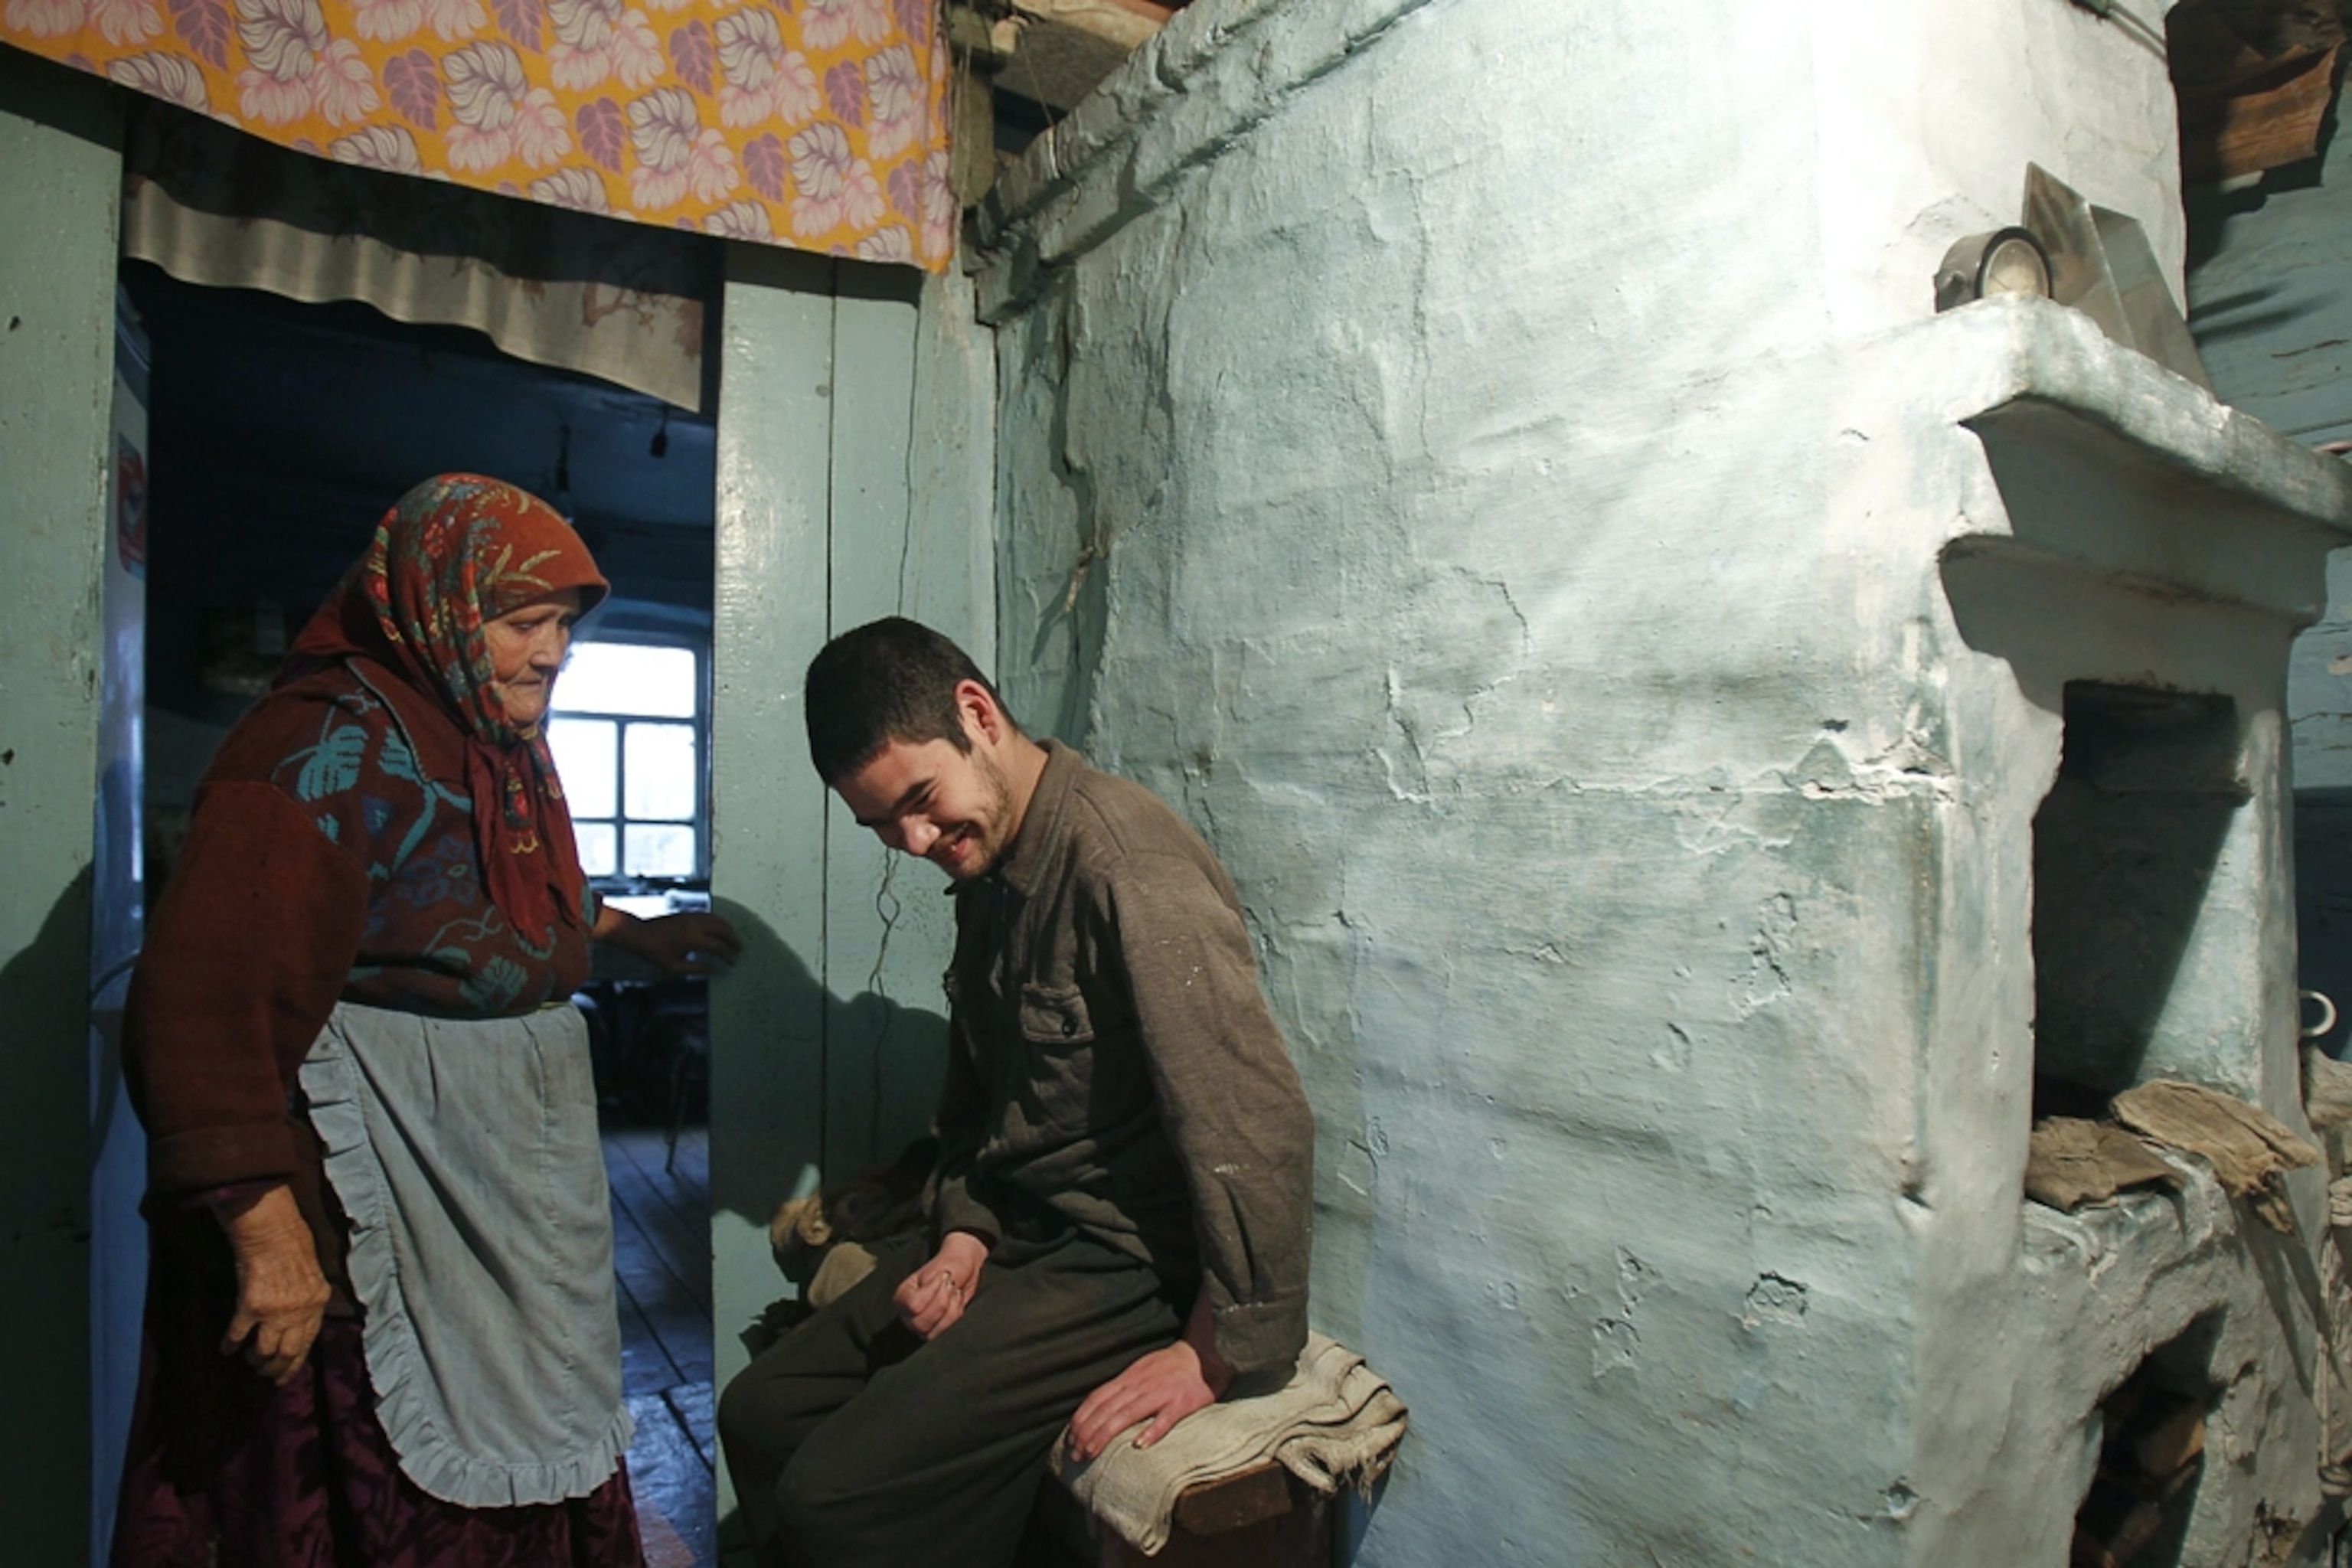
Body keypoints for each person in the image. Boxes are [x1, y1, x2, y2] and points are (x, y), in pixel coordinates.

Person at [111, 473, 742, 1566]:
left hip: (500, 1176)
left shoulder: (490, 740)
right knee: (382, 1467)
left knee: (527, 1421)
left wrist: (630, 934)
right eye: (521, 621)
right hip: (377, 1198)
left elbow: (487, 899)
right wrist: (266, 1237)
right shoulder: (322, 750)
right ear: (439, 608)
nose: (550, 652)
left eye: (562, 627)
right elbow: (202, 1004)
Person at [717, 616, 1313, 1568]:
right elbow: (977, 1106)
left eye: (920, 799)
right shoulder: (991, 864)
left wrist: (1214, 1349)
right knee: (759, 1410)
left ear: (977, 713)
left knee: (838, 1500)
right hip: (1018, 1225)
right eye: (882, 825)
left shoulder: (1126, 863)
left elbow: (1252, 1118)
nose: (913, 840)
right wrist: (960, 1236)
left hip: (1120, 1258)